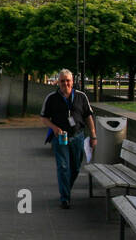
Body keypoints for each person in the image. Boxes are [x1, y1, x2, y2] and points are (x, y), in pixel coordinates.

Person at [40, 68, 95, 209]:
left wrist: (93, 135)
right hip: (60, 138)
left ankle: (66, 189)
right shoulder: (51, 98)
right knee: (63, 167)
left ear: (72, 81)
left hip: (77, 137)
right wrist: (54, 128)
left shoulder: (81, 96)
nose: (65, 83)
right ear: (58, 82)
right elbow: (44, 118)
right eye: (62, 81)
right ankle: (65, 198)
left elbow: (88, 116)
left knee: (75, 167)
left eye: (68, 81)